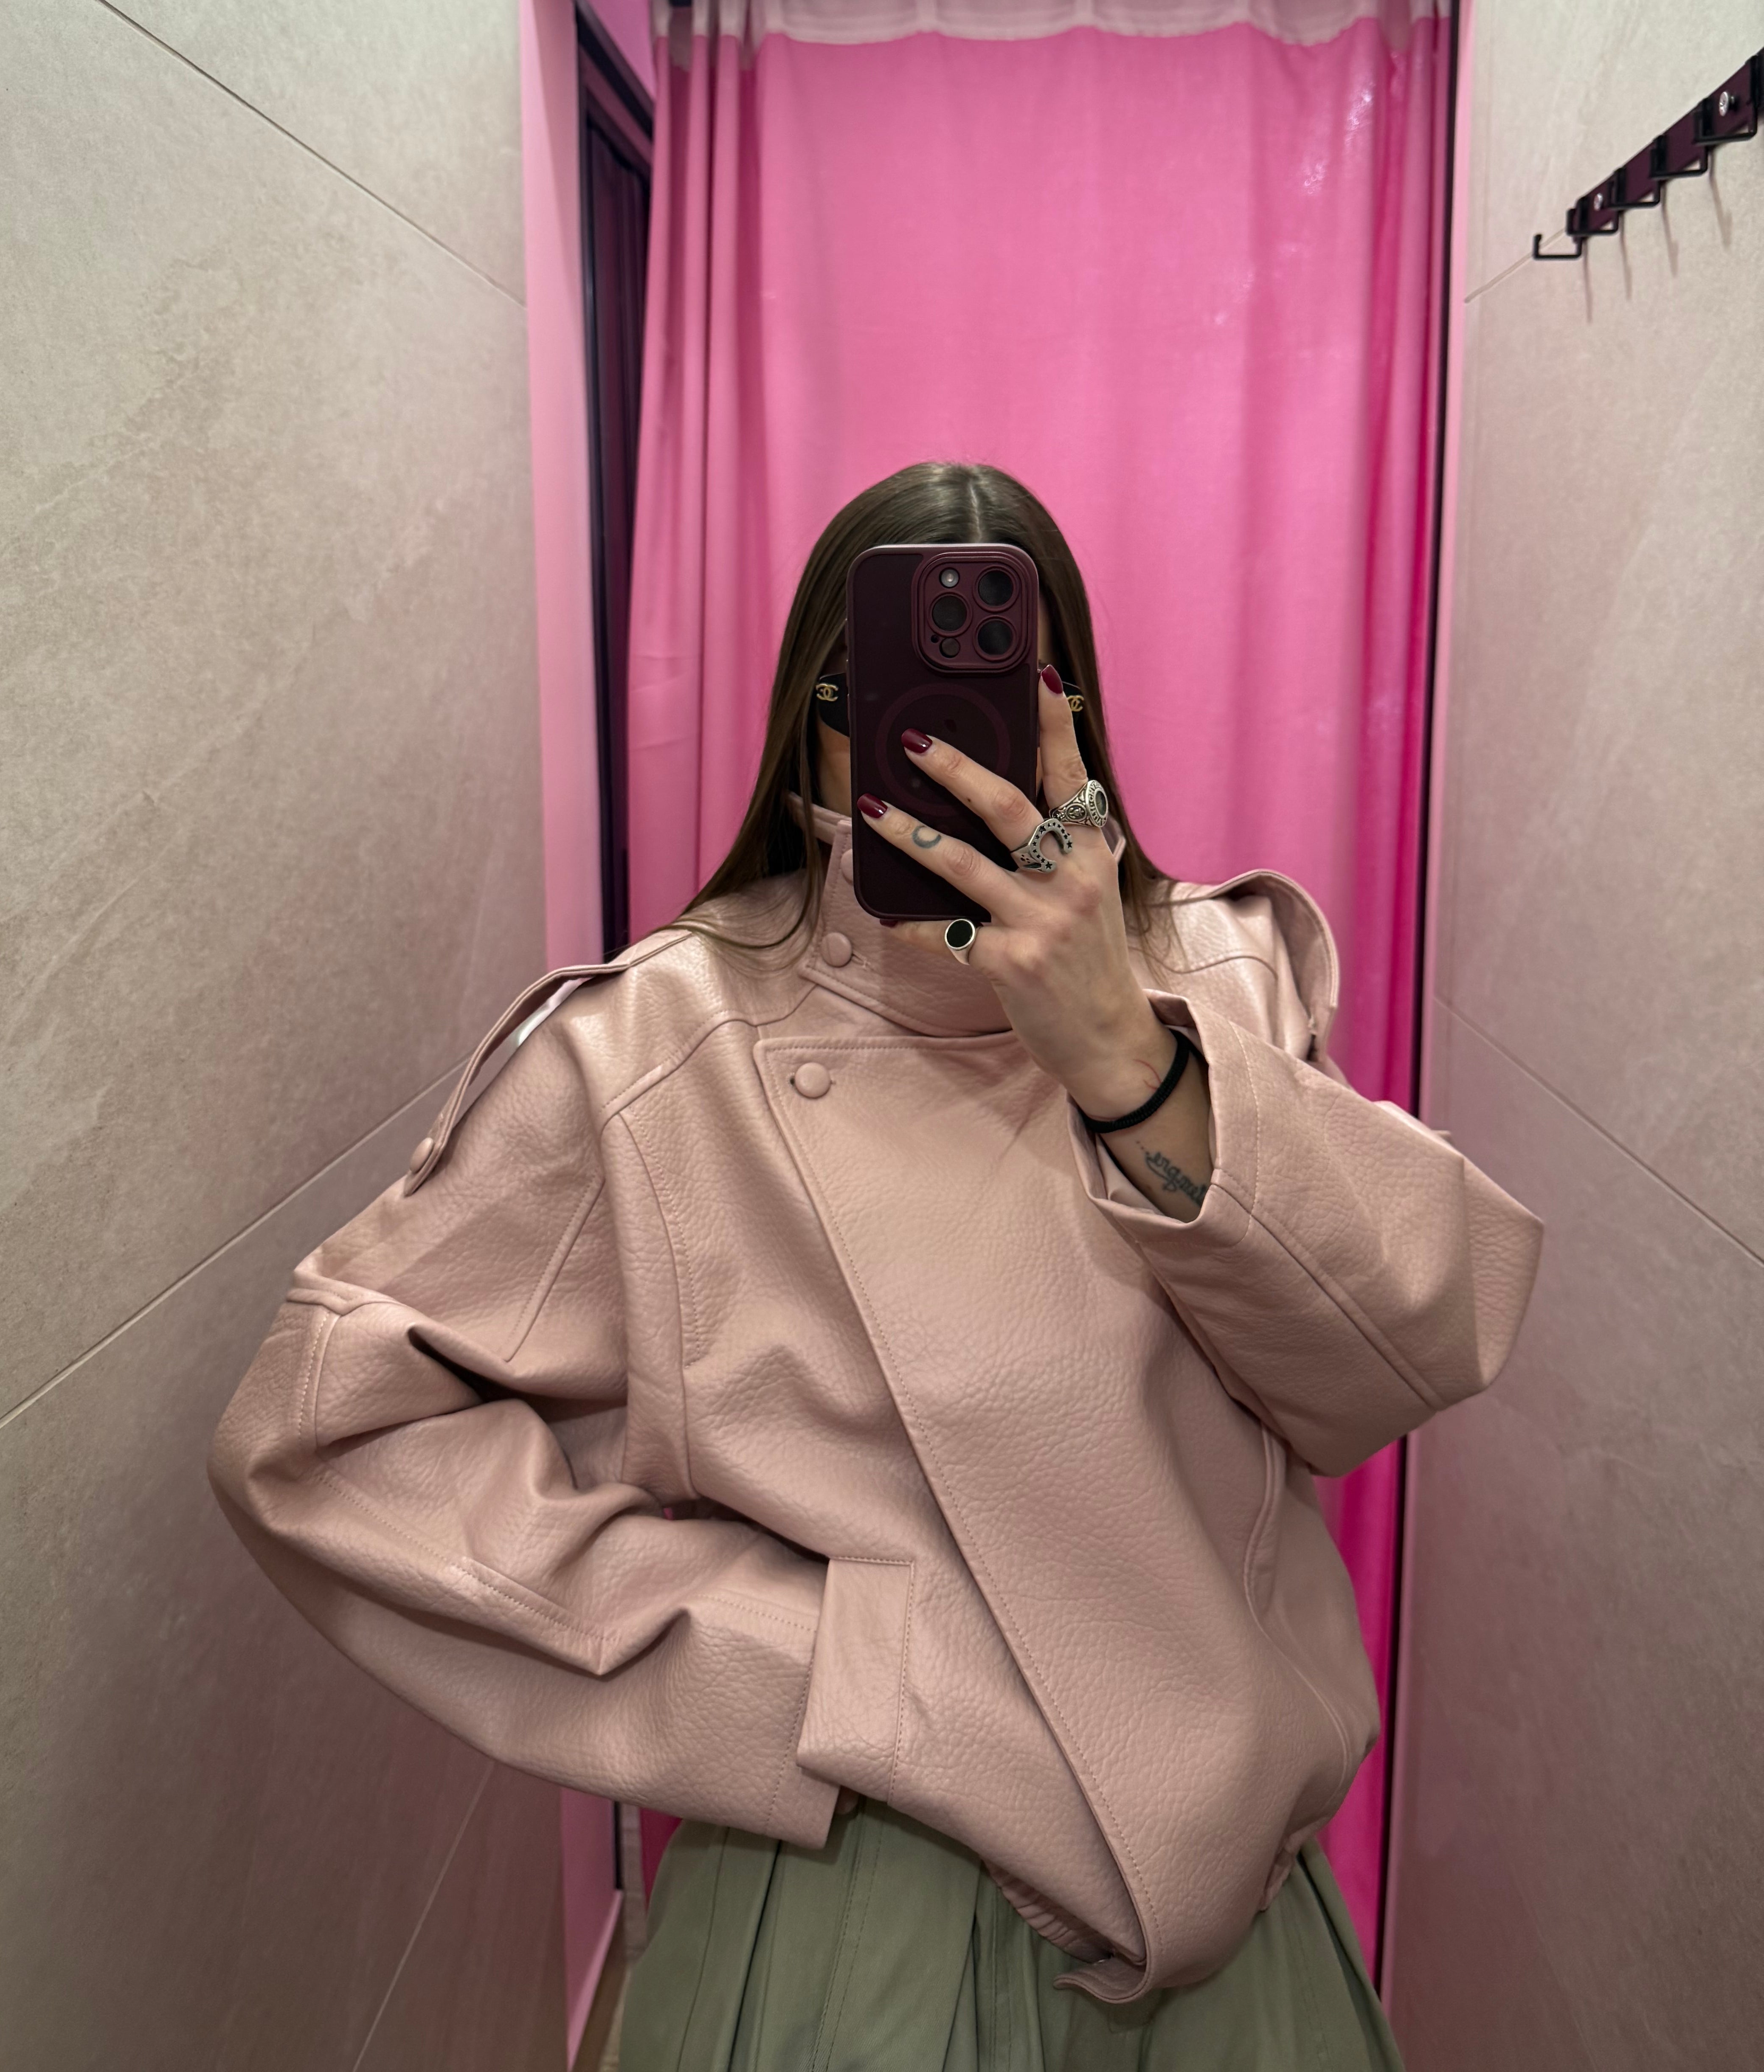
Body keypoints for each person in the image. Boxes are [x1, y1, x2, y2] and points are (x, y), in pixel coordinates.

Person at [211, 462, 1541, 2070]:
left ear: (1066, 717)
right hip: (855, 1899)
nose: (932, 755)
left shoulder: (1223, 978)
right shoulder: (660, 1041)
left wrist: (1127, 1058)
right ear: (807, 726)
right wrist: (831, 1672)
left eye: (994, 699)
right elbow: (327, 1441)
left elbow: (1408, 1351)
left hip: (1231, 1913)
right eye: (878, 705)